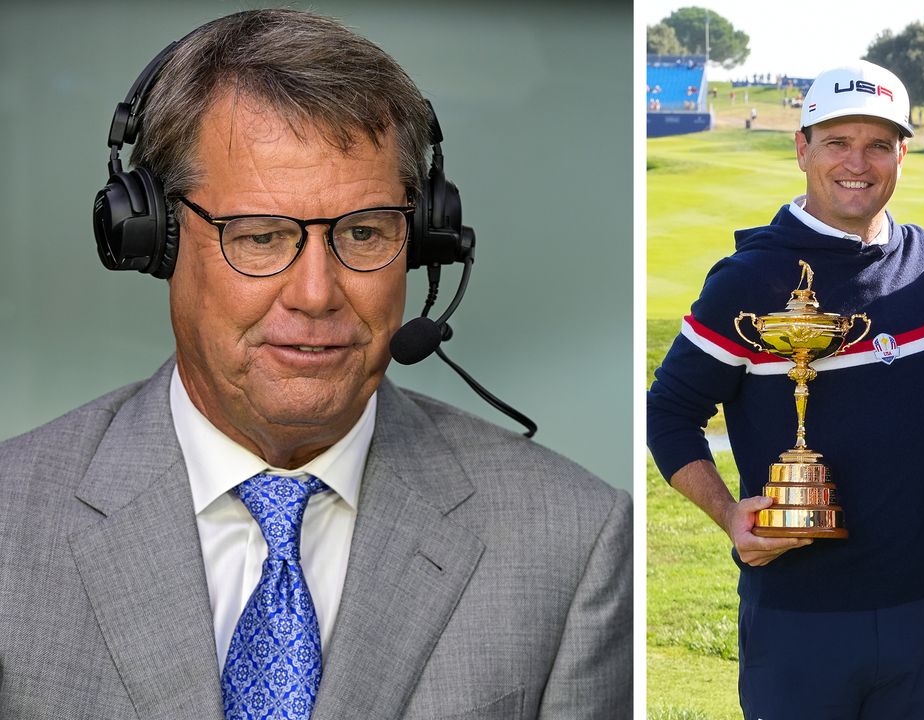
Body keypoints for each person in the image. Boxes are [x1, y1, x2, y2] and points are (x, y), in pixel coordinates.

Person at [0, 10, 632, 719]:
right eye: (261, 236)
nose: (315, 293)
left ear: (423, 239)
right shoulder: (9, 523)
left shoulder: (576, 541)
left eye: (363, 232)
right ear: (155, 239)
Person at [649, 60, 924, 719]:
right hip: (797, 617)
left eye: (878, 144)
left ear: (903, 152)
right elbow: (670, 411)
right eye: (837, 142)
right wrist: (731, 515)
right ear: (802, 149)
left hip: (920, 609)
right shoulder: (748, 280)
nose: (858, 162)